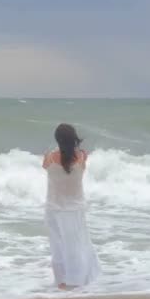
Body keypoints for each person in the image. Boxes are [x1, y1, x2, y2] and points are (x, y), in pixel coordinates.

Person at [42, 123, 100, 290]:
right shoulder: (82, 156)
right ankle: (76, 280)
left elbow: (47, 167)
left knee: (58, 246)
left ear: (57, 140)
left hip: (54, 208)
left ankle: (61, 281)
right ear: (74, 138)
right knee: (76, 245)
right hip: (75, 209)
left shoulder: (49, 158)